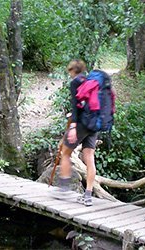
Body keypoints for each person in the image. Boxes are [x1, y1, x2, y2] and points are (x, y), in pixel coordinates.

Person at [57, 59, 98, 206]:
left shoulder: (75, 82)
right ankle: (88, 195)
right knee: (90, 158)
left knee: (65, 152)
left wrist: (73, 126)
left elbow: (75, 106)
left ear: (73, 71)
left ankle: (63, 187)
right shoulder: (91, 81)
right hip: (95, 124)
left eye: (69, 71)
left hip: (82, 124)